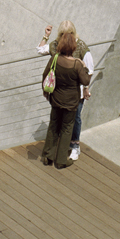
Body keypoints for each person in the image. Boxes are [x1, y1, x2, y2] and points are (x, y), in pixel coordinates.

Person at [35, 21, 96, 162]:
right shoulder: (76, 62)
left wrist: (46, 91)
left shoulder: (56, 54)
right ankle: (63, 156)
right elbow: (87, 76)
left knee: (57, 124)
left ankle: (51, 154)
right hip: (72, 97)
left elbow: (45, 72)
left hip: (56, 96)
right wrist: (83, 69)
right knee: (69, 125)